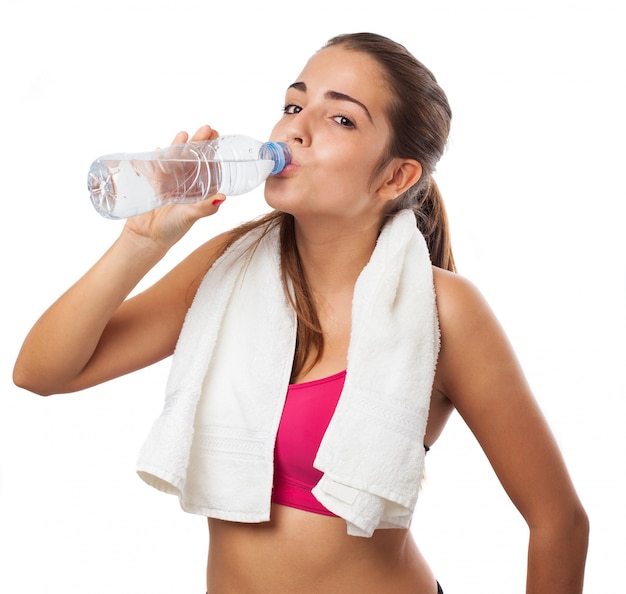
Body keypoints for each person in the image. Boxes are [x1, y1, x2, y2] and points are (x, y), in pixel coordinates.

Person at [13, 32, 588, 593]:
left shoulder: (444, 309)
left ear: (396, 175)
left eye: (340, 118)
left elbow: (558, 522)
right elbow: (41, 373)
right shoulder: (229, 268)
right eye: (294, 103)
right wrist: (142, 241)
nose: (296, 127)